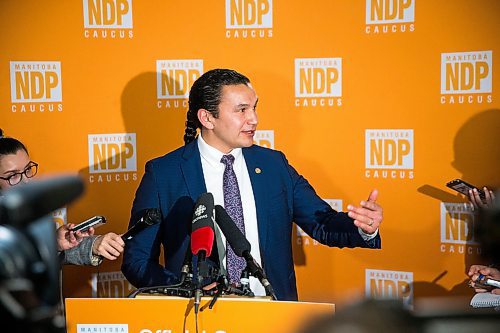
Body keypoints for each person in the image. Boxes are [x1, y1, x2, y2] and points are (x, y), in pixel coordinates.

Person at [121, 68, 383, 301]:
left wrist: (363, 228)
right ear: (207, 118)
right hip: (201, 316)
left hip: (273, 313)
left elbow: (322, 223)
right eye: (242, 110)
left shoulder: (273, 165)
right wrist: (183, 287)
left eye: (255, 107)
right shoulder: (163, 173)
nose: (254, 119)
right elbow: (137, 260)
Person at [0, 129, 124, 265]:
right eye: (13, 176)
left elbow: (50, 251)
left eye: (28, 169)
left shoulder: (36, 210)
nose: (26, 181)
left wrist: (93, 244)